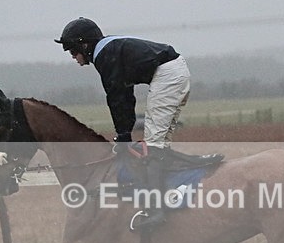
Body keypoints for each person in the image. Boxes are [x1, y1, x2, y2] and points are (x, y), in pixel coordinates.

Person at [55, 17, 191, 229]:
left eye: (73, 51)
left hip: (167, 75)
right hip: (174, 71)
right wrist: (124, 134)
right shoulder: (109, 49)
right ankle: (171, 193)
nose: (73, 57)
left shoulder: (104, 55)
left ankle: (157, 210)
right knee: (159, 143)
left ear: (84, 44)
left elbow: (117, 97)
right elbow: (125, 96)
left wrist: (124, 136)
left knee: (154, 144)